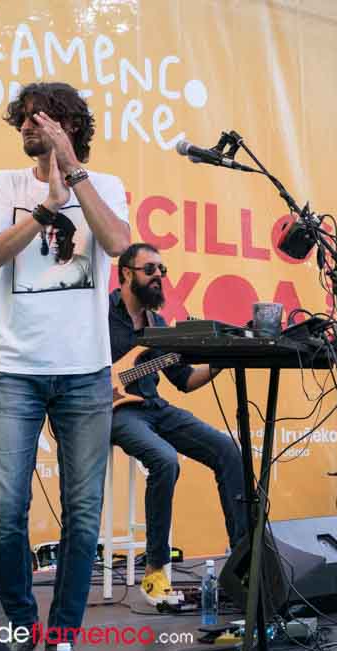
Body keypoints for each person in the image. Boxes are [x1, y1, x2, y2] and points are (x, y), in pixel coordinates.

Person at [0, 82, 131, 651]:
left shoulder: (104, 186)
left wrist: (73, 177)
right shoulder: (4, 185)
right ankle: (22, 624)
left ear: (69, 126)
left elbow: (118, 243)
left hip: (85, 373)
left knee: (83, 517)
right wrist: (45, 209)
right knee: (3, 514)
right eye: (23, 117)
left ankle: (62, 640)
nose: (26, 125)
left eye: (39, 118)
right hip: (14, 369)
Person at [109, 243, 248, 603]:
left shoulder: (158, 326)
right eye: (150, 269)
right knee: (165, 459)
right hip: (115, 411)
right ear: (126, 273)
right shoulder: (99, 314)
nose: (158, 276)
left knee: (227, 450)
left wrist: (220, 360)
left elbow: (184, 380)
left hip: (156, 407)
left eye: (162, 270)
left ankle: (243, 562)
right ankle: (155, 570)